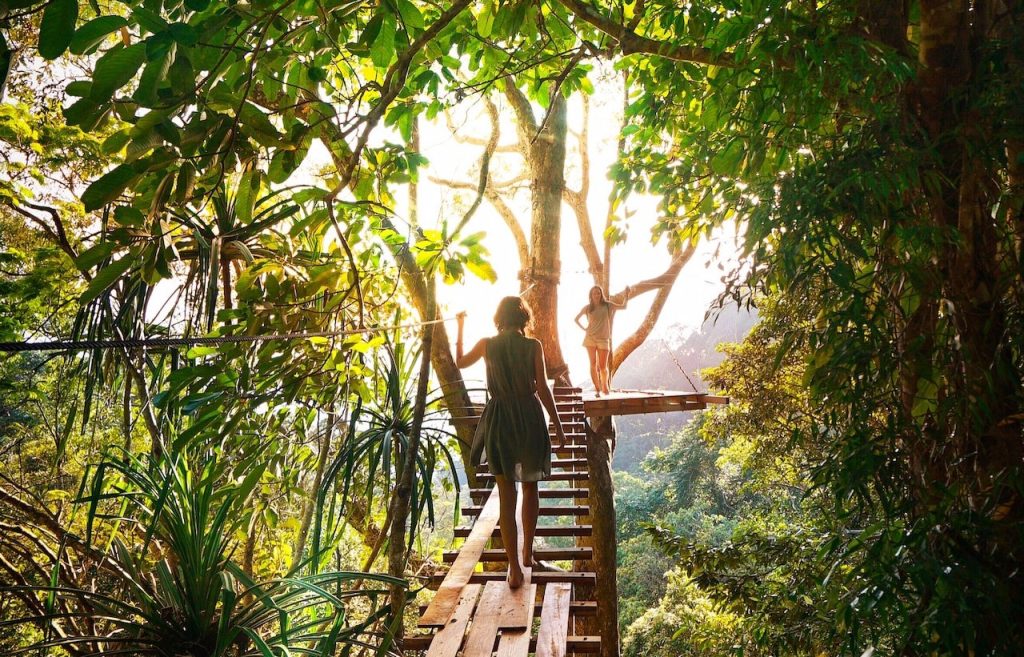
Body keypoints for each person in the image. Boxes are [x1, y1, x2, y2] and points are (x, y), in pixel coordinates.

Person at [455, 297, 567, 589]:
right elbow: (542, 388)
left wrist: (459, 326)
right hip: (529, 416)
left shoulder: (486, 345)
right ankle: (528, 552)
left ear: (499, 317)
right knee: (531, 486)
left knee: (507, 494)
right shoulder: (533, 346)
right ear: (524, 319)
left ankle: (514, 569)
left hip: (500, 418)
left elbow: (459, 362)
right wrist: (558, 426)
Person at [574, 284, 629, 396]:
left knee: (603, 367)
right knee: (593, 364)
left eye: (598, 292)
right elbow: (576, 319)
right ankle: (597, 388)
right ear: (591, 295)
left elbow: (623, 307)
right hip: (590, 338)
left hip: (604, 339)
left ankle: (605, 386)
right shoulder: (587, 308)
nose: (596, 295)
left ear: (601, 294)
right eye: (594, 293)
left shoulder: (608, 305)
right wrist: (584, 328)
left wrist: (627, 295)